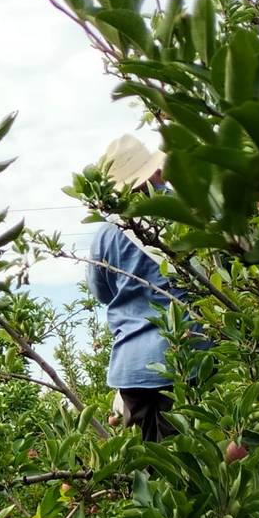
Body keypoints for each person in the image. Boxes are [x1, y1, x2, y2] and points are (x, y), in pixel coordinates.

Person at [86, 135, 183, 443]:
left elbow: (101, 293)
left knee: (150, 465)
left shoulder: (106, 234)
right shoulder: (181, 213)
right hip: (184, 352)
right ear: (153, 173)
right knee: (194, 459)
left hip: (131, 366)